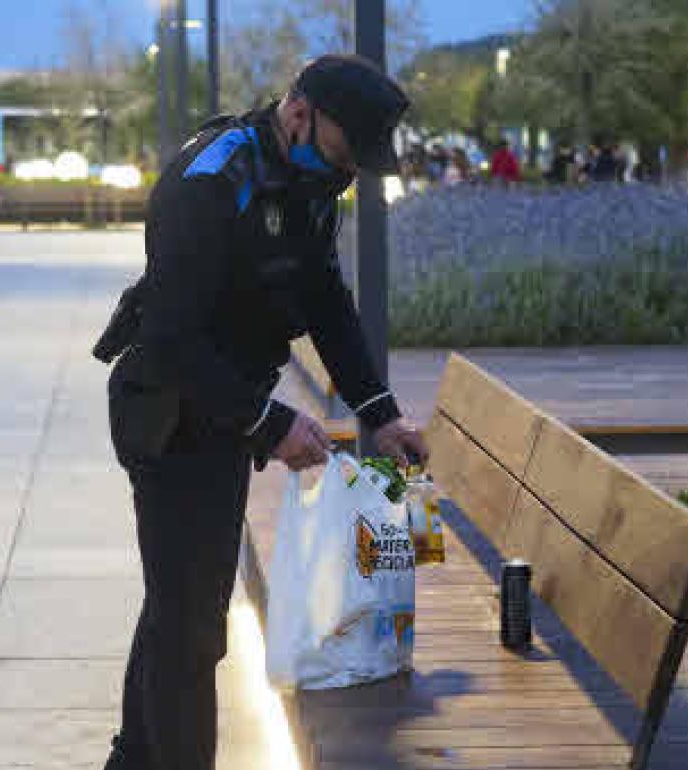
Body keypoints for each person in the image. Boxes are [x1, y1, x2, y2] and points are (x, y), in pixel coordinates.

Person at [98, 53, 429, 770]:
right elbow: (171, 337)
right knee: (191, 627)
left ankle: (133, 760)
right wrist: (272, 423)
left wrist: (380, 411)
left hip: (222, 412)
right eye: (348, 152)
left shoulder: (310, 178)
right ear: (301, 112)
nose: (349, 172)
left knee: (178, 604)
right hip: (168, 412)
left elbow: (324, 299)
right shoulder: (213, 182)